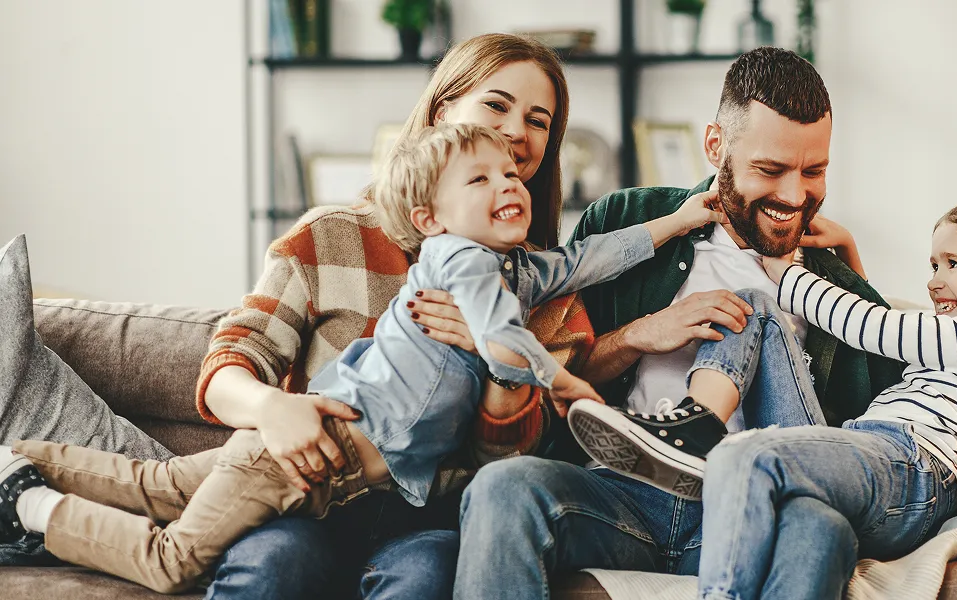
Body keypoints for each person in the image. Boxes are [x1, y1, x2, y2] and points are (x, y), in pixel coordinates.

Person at [0, 122, 720, 594]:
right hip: (301, 451)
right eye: (483, 177)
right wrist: (568, 384)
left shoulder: (519, 273)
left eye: (515, 171)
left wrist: (680, 221)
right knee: (170, 560)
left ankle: (15, 457)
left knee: (151, 481)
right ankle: (31, 506)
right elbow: (502, 337)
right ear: (428, 220)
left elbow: (589, 258)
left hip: (341, 482)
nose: (510, 183)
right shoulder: (458, 259)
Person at [453, 47, 957, 599]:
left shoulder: (836, 289)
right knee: (504, 490)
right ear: (715, 145)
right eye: (770, 168)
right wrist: (638, 335)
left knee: (822, 530)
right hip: (622, 493)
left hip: (749, 508)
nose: (794, 194)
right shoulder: (629, 221)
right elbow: (559, 371)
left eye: (814, 171)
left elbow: (884, 435)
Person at [198, 33, 579, 600]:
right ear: (444, 109)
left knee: (422, 579)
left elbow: (507, 465)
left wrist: (494, 352)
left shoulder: (541, 283)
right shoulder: (328, 235)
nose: (518, 131)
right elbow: (229, 362)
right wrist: (272, 406)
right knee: (273, 567)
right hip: (307, 499)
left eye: (539, 120)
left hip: (426, 519)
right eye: (497, 105)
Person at [690, 195, 957, 600]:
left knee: (745, 454)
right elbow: (883, 346)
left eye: (953, 263)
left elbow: (873, 327)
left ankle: (692, 444)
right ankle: (697, 418)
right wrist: (846, 247)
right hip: (879, 463)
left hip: (913, 466)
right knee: (813, 524)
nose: (934, 281)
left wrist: (787, 271)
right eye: (934, 265)